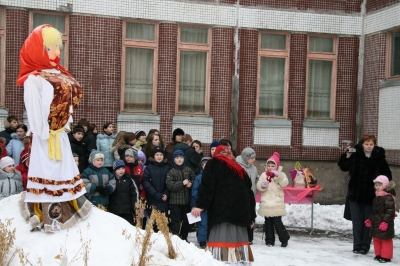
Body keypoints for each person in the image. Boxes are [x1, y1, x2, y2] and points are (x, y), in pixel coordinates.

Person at [17, 24, 92, 232]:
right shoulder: (34, 79)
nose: (58, 52)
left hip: (59, 135)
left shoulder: (60, 74)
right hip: (45, 137)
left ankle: (70, 206)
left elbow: (68, 105)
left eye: (58, 47)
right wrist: (42, 132)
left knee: (63, 171)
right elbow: (34, 111)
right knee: (47, 172)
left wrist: (63, 126)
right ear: (39, 49)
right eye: (51, 48)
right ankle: (43, 212)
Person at [192, 145, 256, 264]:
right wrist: (251, 215)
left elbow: (207, 186)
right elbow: (249, 193)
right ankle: (238, 258)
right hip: (240, 212)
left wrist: (201, 205)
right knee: (237, 236)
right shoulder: (239, 168)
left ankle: (222, 259)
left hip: (221, 211)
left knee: (221, 236)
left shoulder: (213, 164)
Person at [338, 134, 392, 254]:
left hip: (372, 195)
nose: (369, 146)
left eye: (371, 144)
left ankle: (365, 246)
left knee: (368, 221)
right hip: (355, 194)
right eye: (366, 144)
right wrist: (346, 156)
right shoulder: (355, 155)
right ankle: (357, 246)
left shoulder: (379, 157)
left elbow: (387, 175)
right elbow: (343, 167)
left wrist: (381, 186)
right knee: (357, 222)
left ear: (374, 145)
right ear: (362, 144)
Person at [257, 152, 290, 247]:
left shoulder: (281, 174)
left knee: (277, 222)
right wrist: (262, 185)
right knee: (268, 223)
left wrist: (277, 177)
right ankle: (269, 240)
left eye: (273, 165)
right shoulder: (264, 175)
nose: (270, 167)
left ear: (277, 166)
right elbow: (259, 185)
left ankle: (284, 238)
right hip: (266, 202)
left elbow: (285, 183)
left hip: (277, 202)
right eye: (269, 165)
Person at [364, 175, 396, 263]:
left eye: (380, 185)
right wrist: (370, 219)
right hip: (376, 221)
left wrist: (385, 222)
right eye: (376, 185)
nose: (378, 187)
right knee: (377, 238)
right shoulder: (377, 197)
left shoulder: (388, 197)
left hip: (385, 222)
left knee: (385, 239)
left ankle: (386, 256)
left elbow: (390, 212)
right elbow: (375, 211)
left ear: (385, 185)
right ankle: (379, 254)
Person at [166, 150, 195, 241]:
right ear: (173, 159)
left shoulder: (188, 170)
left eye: (181, 158)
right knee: (176, 222)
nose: (179, 160)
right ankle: (176, 238)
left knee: (186, 222)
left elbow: (195, 180)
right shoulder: (171, 172)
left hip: (186, 202)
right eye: (177, 158)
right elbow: (170, 185)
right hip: (175, 203)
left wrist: (191, 184)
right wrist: (182, 183)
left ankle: (184, 238)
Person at [142, 146, 170, 231]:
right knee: (153, 224)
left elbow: (170, 182)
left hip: (164, 200)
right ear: (153, 156)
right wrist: (154, 194)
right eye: (157, 154)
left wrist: (166, 193)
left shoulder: (168, 168)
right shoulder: (149, 168)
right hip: (152, 199)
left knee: (164, 223)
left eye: (161, 154)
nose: (159, 156)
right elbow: (145, 182)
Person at [236, 147, 258, 245]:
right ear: (246, 158)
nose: (254, 160)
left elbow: (256, 179)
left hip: (251, 196)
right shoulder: (238, 166)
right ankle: (240, 236)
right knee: (242, 216)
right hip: (241, 197)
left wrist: (258, 186)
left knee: (251, 216)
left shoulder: (254, 167)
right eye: (252, 158)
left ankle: (249, 237)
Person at [108, 159, 138, 225]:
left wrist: (134, 205)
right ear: (114, 170)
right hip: (114, 210)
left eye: (122, 168)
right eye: (118, 169)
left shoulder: (129, 180)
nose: (121, 170)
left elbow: (134, 194)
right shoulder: (111, 180)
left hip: (127, 211)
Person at [191, 156, 211, 249]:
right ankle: (202, 240)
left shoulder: (213, 177)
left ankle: (209, 238)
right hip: (201, 205)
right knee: (203, 223)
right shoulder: (199, 177)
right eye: (204, 165)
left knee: (210, 223)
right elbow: (194, 191)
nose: (206, 166)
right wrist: (195, 204)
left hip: (211, 205)